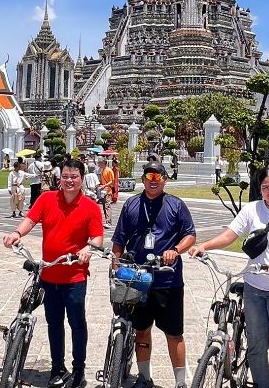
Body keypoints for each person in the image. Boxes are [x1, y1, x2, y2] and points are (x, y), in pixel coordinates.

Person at [189, 168, 269, 388]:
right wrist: (204, 246)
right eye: (265, 188)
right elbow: (229, 235)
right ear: (260, 189)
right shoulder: (252, 209)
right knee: (255, 346)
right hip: (254, 286)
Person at [3, 159, 104, 388]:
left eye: (74, 177)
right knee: (54, 323)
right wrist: (17, 233)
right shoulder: (47, 198)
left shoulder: (90, 206)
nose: (69, 181)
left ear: (81, 179)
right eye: (65, 176)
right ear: (60, 178)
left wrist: (89, 247)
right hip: (49, 274)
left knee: (77, 323)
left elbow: (97, 237)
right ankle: (57, 367)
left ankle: (79, 368)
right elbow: (30, 219)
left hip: (75, 276)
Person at [113, 162, 196, 388]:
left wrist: (176, 250)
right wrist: (115, 265)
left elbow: (190, 235)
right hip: (138, 278)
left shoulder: (176, 205)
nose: (153, 179)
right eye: (149, 175)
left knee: (174, 333)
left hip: (167, 278)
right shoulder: (131, 204)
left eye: (158, 176)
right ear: (143, 179)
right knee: (141, 331)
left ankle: (180, 382)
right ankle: (144, 376)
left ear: (165, 179)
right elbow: (119, 239)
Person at [98, 157, 117, 228]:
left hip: (108, 191)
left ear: (103, 163)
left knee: (107, 206)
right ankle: (107, 221)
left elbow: (112, 181)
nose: (98, 164)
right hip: (104, 191)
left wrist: (104, 186)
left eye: (99, 163)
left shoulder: (109, 170)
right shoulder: (103, 170)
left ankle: (108, 222)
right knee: (104, 206)